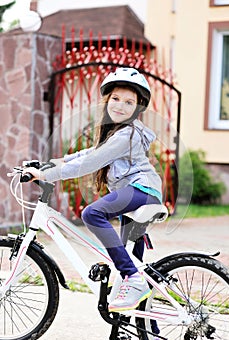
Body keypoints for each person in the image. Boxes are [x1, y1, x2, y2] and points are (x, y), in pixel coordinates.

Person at [24, 67, 162, 314]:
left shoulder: (127, 135)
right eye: (116, 99)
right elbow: (89, 153)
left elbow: (90, 164)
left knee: (92, 214)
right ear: (107, 101)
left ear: (138, 108)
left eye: (129, 102)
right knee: (132, 270)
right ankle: (144, 330)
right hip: (139, 193)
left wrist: (46, 175)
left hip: (142, 190)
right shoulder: (117, 133)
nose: (120, 106)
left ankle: (132, 276)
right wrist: (57, 162)